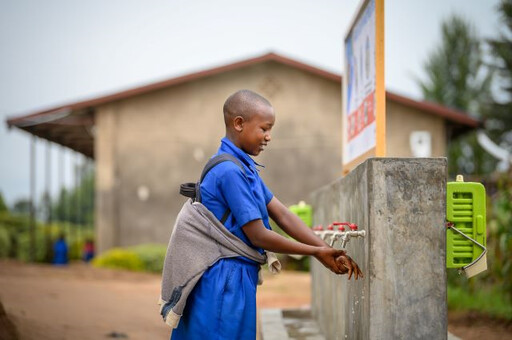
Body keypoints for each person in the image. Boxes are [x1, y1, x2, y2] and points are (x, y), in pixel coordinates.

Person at [171, 89, 362, 339]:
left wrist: (325, 249)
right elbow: (258, 235)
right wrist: (316, 252)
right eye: (264, 128)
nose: (269, 137)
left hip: (236, 278)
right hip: (223, 281)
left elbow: (281, 214)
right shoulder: (229, 171)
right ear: (239, 123)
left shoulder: (243, 167)